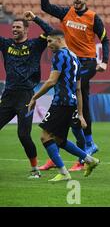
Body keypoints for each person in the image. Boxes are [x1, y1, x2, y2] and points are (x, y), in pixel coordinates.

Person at [39, 0, 110, 171]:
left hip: (87, 62)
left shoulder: (93, 17)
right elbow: (45, 6)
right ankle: (79, 145)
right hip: (72, 62)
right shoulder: (66, 13)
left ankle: (88, 142)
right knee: (76, 97)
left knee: (79, 90)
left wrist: (104, 62)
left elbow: (105, 39)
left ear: (86, 0)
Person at [28, 29, 100, 182]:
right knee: (59, 140)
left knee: (45, 136)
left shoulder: (59, 55)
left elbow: (51, 81)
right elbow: (79, 88)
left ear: (59, 40)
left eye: (50, 41)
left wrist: (35, 97)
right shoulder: (75, 57)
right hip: (71, 103)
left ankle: (63, 171)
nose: (48, 45)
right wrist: (80, 114)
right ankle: (89, 159)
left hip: (61, 102)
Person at [0, 12, 53, 178]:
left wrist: (35, 18)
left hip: (26, 97)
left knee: (23, 135)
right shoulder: (6, 44)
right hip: (8, 97)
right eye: (13, 27)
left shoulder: (35, 45)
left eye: (18, 27)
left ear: (26, 30)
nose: (14, 29)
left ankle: (35, 170)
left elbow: (51, 31)